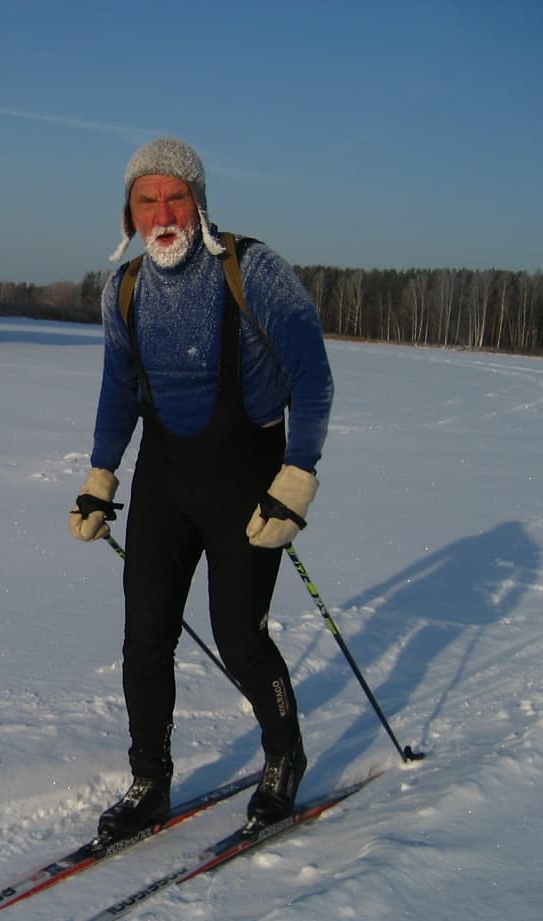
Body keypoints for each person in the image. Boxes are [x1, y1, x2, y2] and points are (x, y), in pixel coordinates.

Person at [69, 136, 334, 842]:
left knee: (238, 637)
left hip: (248, 474)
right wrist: (101, 475)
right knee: (144, 638)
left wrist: (297, 477)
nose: (163, 213)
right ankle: (149, 782)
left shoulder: (253, 271)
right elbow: (117, 390)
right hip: (165, 475)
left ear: (200, 202)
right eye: (147, 199)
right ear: (129, 212)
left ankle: (284, 759)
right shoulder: (123, 289)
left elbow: (312, 376)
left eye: (176, 196)